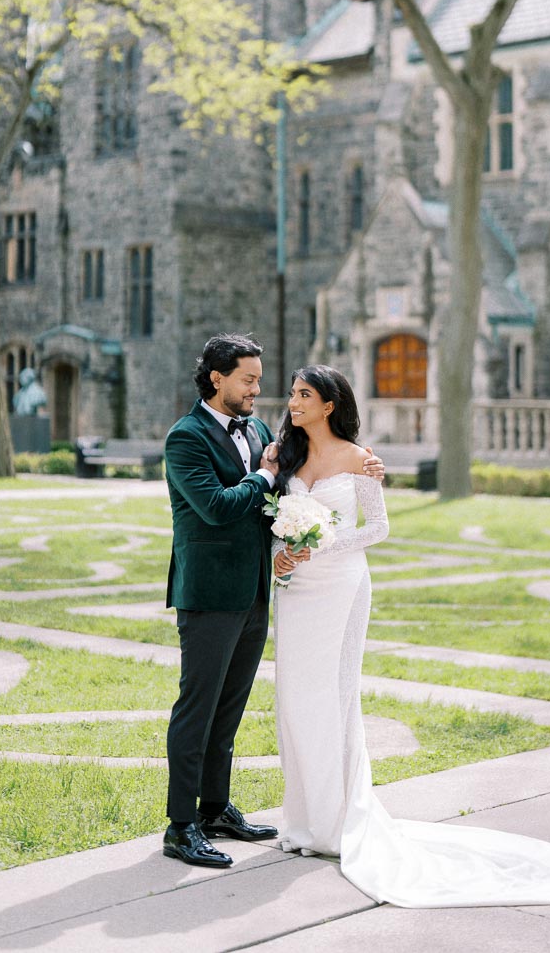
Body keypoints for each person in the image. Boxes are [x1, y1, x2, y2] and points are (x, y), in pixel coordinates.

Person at [265, 364, 550, 908]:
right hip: (295, 591)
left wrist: (321, 544)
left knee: (335, 697)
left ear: (329, 405)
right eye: (293, 393)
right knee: (293, 700)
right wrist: (284, 554)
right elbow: (268, 517)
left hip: (341, 586)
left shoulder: (359, 459)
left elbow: (378, 527)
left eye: (303, 394)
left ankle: (336, 824)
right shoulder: (281, 457)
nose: (292, 401)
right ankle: (303, 822)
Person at [162, 333, 383, 870]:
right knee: (198, 706)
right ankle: (181, 824)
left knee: (230, 707)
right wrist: (262, 474)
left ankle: (215, 809)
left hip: (263, 590)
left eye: (262, 380)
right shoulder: (185, 438)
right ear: (217, 378)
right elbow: (217, 507)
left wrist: (364, 473)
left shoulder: (261, 430)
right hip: (209, 594)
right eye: (249, 379)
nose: (260, 390)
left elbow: (288, 496)